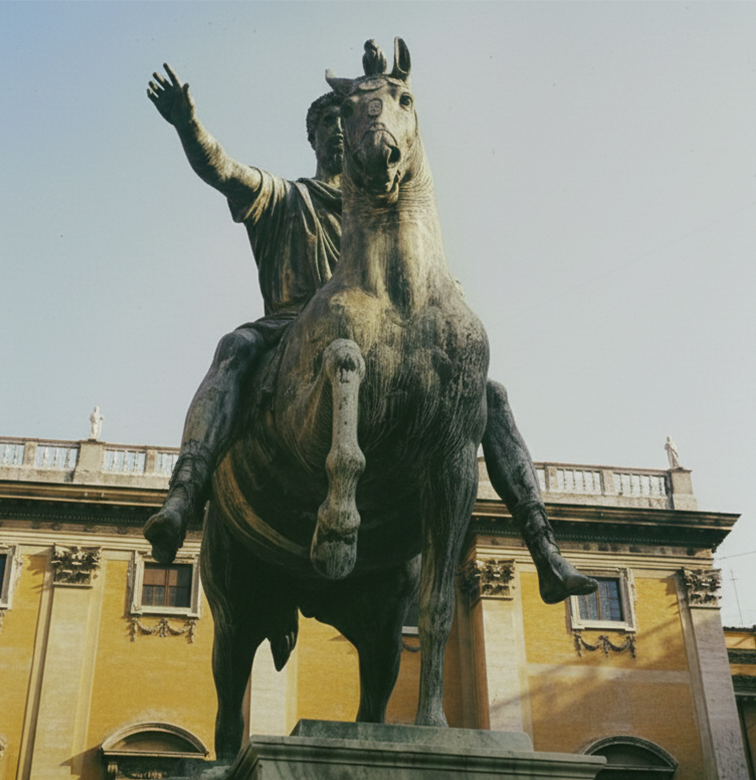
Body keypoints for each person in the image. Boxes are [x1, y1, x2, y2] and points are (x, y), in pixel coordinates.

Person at [144, 64, 596, 605]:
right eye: (328, 123)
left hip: (388, 337)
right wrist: (187, 124)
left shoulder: (397, 215)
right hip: (290, 332)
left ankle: (543, 545)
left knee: (487, 395)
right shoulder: (286, 198)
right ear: (313, 139)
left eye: (346, 121)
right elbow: (222, 169)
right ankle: (184, 492)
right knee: (234, 348)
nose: (339, 131)